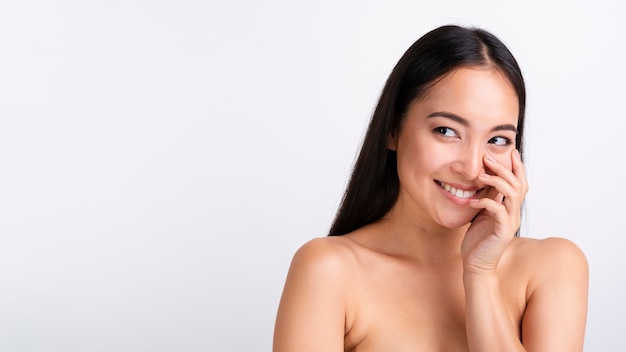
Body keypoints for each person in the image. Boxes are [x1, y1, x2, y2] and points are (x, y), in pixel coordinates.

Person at [273, 25, 588, 351]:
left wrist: (480, 275)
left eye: (497, 140)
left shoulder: (553, 267)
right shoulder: (328, 272)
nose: (471, 167)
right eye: (447, 131)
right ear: (393, 129)